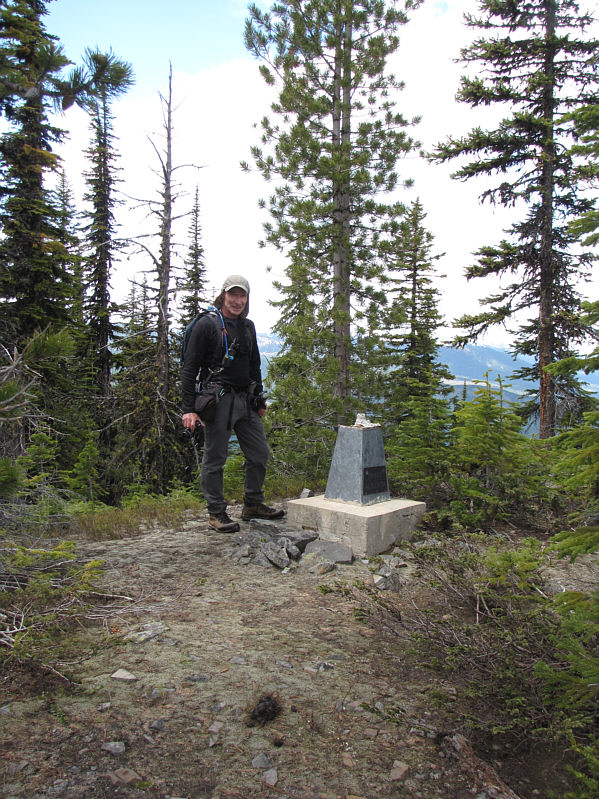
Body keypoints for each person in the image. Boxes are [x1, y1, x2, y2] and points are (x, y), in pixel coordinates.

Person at [181, 274, 285, 533]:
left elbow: (254, 364)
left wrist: (259, 397)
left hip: (246, 399)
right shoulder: (207, 325)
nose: (237, 301)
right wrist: (188, 409)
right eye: (233, 295)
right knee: (215, 458)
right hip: (219, 399)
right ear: (223, 295)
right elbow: (189, 368)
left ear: (247, 299)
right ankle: (216, 513)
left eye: (242, 295)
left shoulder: (247, 326)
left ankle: (252, 504)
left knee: (259, 453)